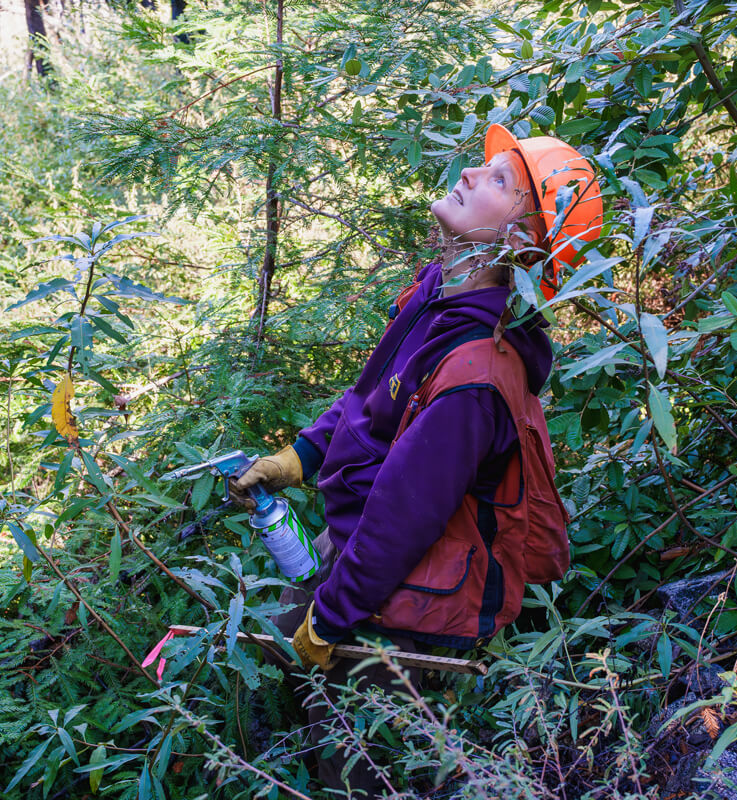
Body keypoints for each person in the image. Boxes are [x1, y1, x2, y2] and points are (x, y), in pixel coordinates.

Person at [234, 123, 602, 795]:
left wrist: (334, 614)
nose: (470, 174)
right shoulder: (441, 292)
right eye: (483, 165)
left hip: (409, 599)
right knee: (285, 652)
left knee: (361, 768)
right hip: (364, 555)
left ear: (521, 243)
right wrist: (302, 456)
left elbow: (405, 516)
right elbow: (374, 394)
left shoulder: (477, 377)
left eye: (499, 182)